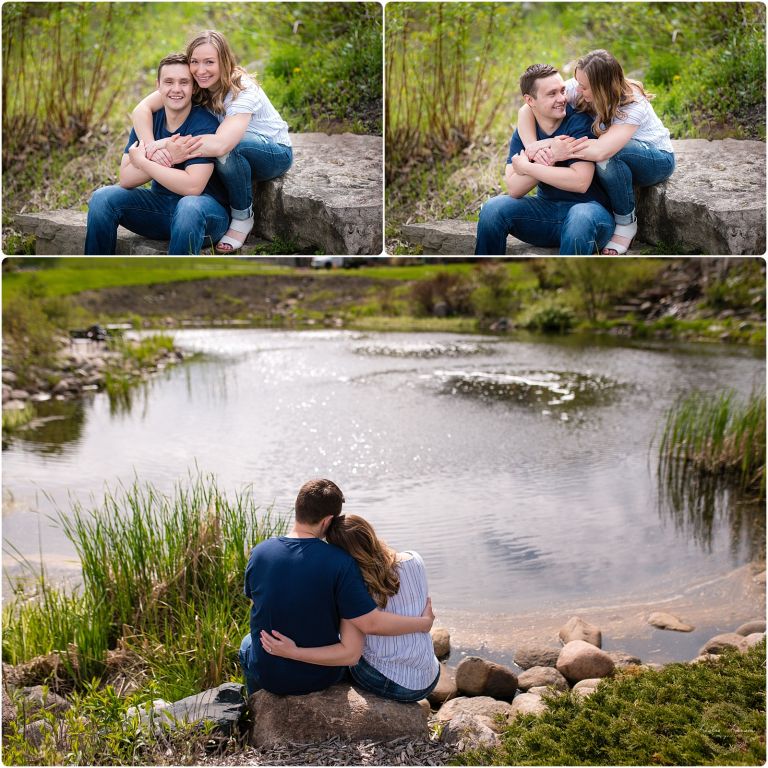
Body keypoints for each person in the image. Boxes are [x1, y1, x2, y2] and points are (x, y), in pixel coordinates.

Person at [239, 479, 435, 697]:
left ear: (297, 508)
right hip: (321, 677)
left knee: (247, 643)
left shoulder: (259, 553)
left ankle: (254, 704)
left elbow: (259, 603)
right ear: (327, 521)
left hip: (270, 676)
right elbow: (366, 628)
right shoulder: (341, 562)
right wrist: (424, 623)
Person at [132, 29, 293, 254]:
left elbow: (221, 145)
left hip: (272, 153)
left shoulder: (242, 90)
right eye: (195, 62)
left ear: (224, 61)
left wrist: (166, 144)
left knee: (232, 148)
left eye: (209, 62)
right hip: (232, 156)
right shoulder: (195, 83)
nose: (201, 70)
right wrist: (150, 146)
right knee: (228, 151)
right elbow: (141, 109)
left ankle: (242, 217)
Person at [517, 49, 675, 254]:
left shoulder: (633, 105)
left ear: (601, 87)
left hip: (655, 160)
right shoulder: (580, 86)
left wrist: (555, 149)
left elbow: (601, 151)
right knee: (609, 158)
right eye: (578, 83)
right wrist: (533, 147)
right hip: (615, 159)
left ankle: (626, 223)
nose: (577, 90)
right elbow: (527, 108)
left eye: (584, 87)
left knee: (610, 156)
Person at [85, 53, 229, 255]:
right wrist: (167, 156)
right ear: (158, 86)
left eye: (184, 82)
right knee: (102, 198)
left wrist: (145, 161)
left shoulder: (204, 124)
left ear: (194, 87)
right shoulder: (148, 122)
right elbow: (126, 178)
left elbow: (193, 186)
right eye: (169, 82)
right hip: (160, 208)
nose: (176, 89)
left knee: (188, 206)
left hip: (205, 214)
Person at [475, 63, 614, 255]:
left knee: (580, 216)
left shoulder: (579, 122)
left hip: (591, 214)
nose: (562, 99)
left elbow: (580, 181)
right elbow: (514, 187)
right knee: (492, 208)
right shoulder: (525, 131)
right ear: (530, 100)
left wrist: (529, 167)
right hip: (546, 214)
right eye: (552, 94)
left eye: (562, 91)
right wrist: (552, 157)